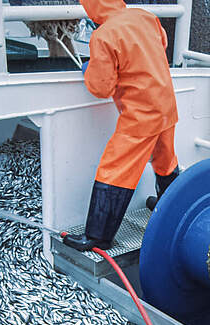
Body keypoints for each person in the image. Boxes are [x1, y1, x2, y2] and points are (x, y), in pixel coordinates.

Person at [63, 0, 179, 251]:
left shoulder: (103, 35)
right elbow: (162, 45)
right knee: (165, 161)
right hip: (166, 105)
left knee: (115, 170)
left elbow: (101, 87)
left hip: (141, 116)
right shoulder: (145, 17)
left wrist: (88, 70)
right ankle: (169, 209)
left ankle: (98, 237)